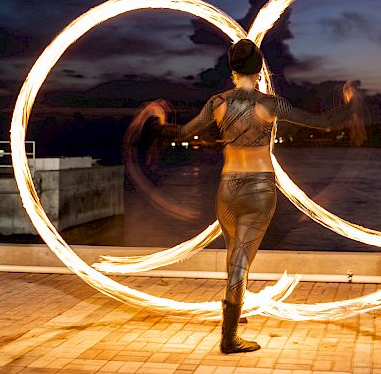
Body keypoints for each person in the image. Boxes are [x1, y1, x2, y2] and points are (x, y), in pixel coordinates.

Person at [154, 38, 365, 354]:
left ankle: (235, 314)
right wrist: (351, 104)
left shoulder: (217, 102)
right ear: (259, 69)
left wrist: (157, 123)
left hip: (228, 187)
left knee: (234, 256)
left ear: (232, 70)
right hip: (258, 189)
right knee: (240, 260)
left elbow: (184, 132)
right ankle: (230, 338)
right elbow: (322, 123)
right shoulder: (269, 104)